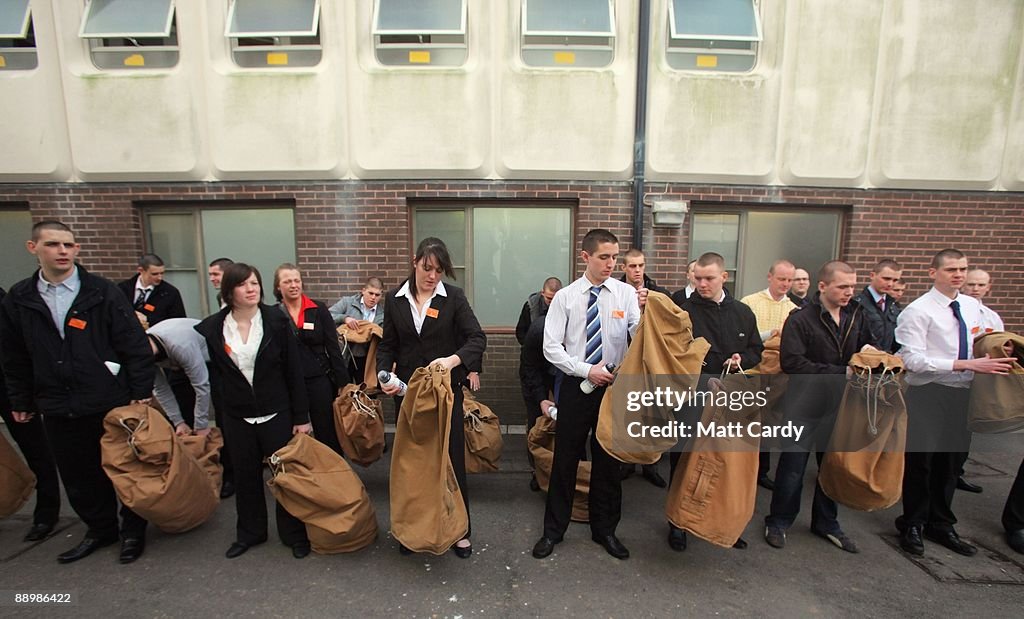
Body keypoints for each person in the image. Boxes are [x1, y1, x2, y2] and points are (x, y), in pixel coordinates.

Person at [0, 221, 155, 564]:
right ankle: (100, 530)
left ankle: (132, 530)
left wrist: (141, 392)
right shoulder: (20, 298)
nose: (63, 251)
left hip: (107, 398)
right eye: (53, 244)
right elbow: (14, 355)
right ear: (33, 248)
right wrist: (21, 399)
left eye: (69, 245)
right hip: (57, 402)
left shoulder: (100, 291)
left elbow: (133, 343)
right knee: (78, 474)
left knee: (126, 468)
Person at [894, 249, 1014, 557]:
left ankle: (942, 522)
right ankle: (912, 522)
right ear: (933, 272)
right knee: (922, 462)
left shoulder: (972, 306)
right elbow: (912, 360)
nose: (958, 275)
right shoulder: (918, 310)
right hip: (930, 392)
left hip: (963, 394)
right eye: (951, 269)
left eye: (962, 269)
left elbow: (979, 342)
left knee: (951, 462)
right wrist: (965, 365)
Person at [532, 229, 640, 561]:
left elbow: (639, 336)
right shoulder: (565, 297)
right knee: (565, 458)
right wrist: (584, 369)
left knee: (609, 461)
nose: (611, 264)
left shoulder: (626, 294)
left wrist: (651, 317)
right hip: (578, 387)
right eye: (604, 257)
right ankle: (553, 531)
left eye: (614, 257)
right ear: (585, 257)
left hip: (614, 389)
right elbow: (551, 348)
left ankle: (605, 529)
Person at [377, 237, 486, 559]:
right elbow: (387, 345)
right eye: (427, 268)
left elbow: (476, 338)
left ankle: (460, 531)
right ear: (415, 261)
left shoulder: (452, 298)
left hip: (445, 395)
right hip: (408, 397)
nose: (432, 276)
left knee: (450, 460)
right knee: (414, 464)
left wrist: (453, 361)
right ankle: (413, 530)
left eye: (439, 270)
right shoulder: (394, 300)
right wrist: (383, 374)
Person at [195, 263, 313, 560]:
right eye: (244, 284)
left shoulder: (275, 321)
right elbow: (218, 377)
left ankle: (294, 534)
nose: (252, 289)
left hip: (277, 413)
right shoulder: (214, 328)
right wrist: (223, 415)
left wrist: (301, 418)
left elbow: (293, 372)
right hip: (238, 418)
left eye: (255, 283)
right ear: (229, 290)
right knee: (246, 478)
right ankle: (250, 533)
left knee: (285, 475)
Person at [764, 261, 876, 554]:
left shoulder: (856, 315)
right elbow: (793, 363)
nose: (849, 292)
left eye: (852, 286)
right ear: (823, 286)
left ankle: (827, 522)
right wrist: (841, 373)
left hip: (841, 406)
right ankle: (778, 521)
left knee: (833, 465)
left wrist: (869, 352)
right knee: (792, 468)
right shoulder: (800, 318)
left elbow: (868, 345)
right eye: (842, 286)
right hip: (803, 404)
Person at [671, 252, 763, 552]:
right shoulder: (682, 312)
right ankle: (678, 523)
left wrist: (741, 359)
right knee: (685, 460)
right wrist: (702, 377)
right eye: (697, 277)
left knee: (726, 462)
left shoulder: (744, 313)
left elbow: (756, 350)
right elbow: (675, 356)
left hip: (731, 398)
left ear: (725, 277)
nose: (701, 283)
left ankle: (725, 522)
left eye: (708, 278)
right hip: (694, 397)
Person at [0, 286, 61, 543]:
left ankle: (46, 513)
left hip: (8, 385)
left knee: (35, 448)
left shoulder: (5, 300)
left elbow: (14, 347)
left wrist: (23, 395)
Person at [274, 264, 349, 457]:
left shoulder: (318, 309)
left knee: (326, 431)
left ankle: (335, 473)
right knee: (291, 433)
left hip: (318, 379)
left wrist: (343, 383)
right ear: (278, 287)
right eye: (287, 281)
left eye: (296, 280)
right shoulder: (273, 315)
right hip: (287, 383)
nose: (293, 285)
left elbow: (333, 346)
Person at [741, 259, 798, 491]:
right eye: (781, 279)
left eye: (789, 280)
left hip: (778, 376)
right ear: (770, 277)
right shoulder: (750, 303)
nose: (785, 284)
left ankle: (761, 472)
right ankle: (742, 470)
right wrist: (772, 334)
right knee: (746, 425)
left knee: (768, 426)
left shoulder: (794, 309)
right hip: (753, 372)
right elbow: (745, 337)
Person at [618, 248, 669, 488]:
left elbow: (668, 325)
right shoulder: (615, 292)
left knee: (651, 415)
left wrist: (650, 306)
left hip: (651, 363)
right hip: (625, 362)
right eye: (632, 266)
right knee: (627, 413)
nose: (637, 270)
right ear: (624, 267)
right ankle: (626, 463)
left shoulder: (659, 293)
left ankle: (651, 465)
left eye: (641, 265)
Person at [146, 317, 212, 437]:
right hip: (175, 360)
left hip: (209, 356)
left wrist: (201, 426)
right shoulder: (140, 355)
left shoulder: (181, 346)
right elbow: (161, 389)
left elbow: (202, 385)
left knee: (219, 403)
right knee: (182, 401)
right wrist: (179, 422)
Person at [519, 313, 555, 491]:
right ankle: (537, 472)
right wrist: (542, 398)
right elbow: (530, 369)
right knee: (536, 425)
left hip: (563, 377)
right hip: (535, 377)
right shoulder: (537, 331)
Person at [329, 277, 386, 382]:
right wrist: (345, 318)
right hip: (346, 355)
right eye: (370, 293)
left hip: (367, 358)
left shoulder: (383, 314)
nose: (373, 298)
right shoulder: (347, 302)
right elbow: (328, 316)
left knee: (368, 392)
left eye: (377, 295)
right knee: (344, 391)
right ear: (363, 291)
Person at [118, 254, 186, 326]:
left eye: (162, 273)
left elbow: (178, 322)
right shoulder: (123, 288)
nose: (160, 277)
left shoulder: (170, 293)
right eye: (155, 274)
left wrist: (148, 319)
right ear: (141, 270)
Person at [854, 259, 902, 353]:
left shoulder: (893, 307)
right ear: (872, 275)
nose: (890, 284)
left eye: (895, 280)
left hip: (887, 362)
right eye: (886, 278)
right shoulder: (856, 305)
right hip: (864, 361)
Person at [515, 277, 562, 345]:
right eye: (549, 298)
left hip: (557, 348)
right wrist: (528, 346)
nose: (552, 302)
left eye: (555, 298)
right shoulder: (531, 306)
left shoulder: (566, 306)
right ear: (542, 293)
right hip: (533, 348)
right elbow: (521, 331)